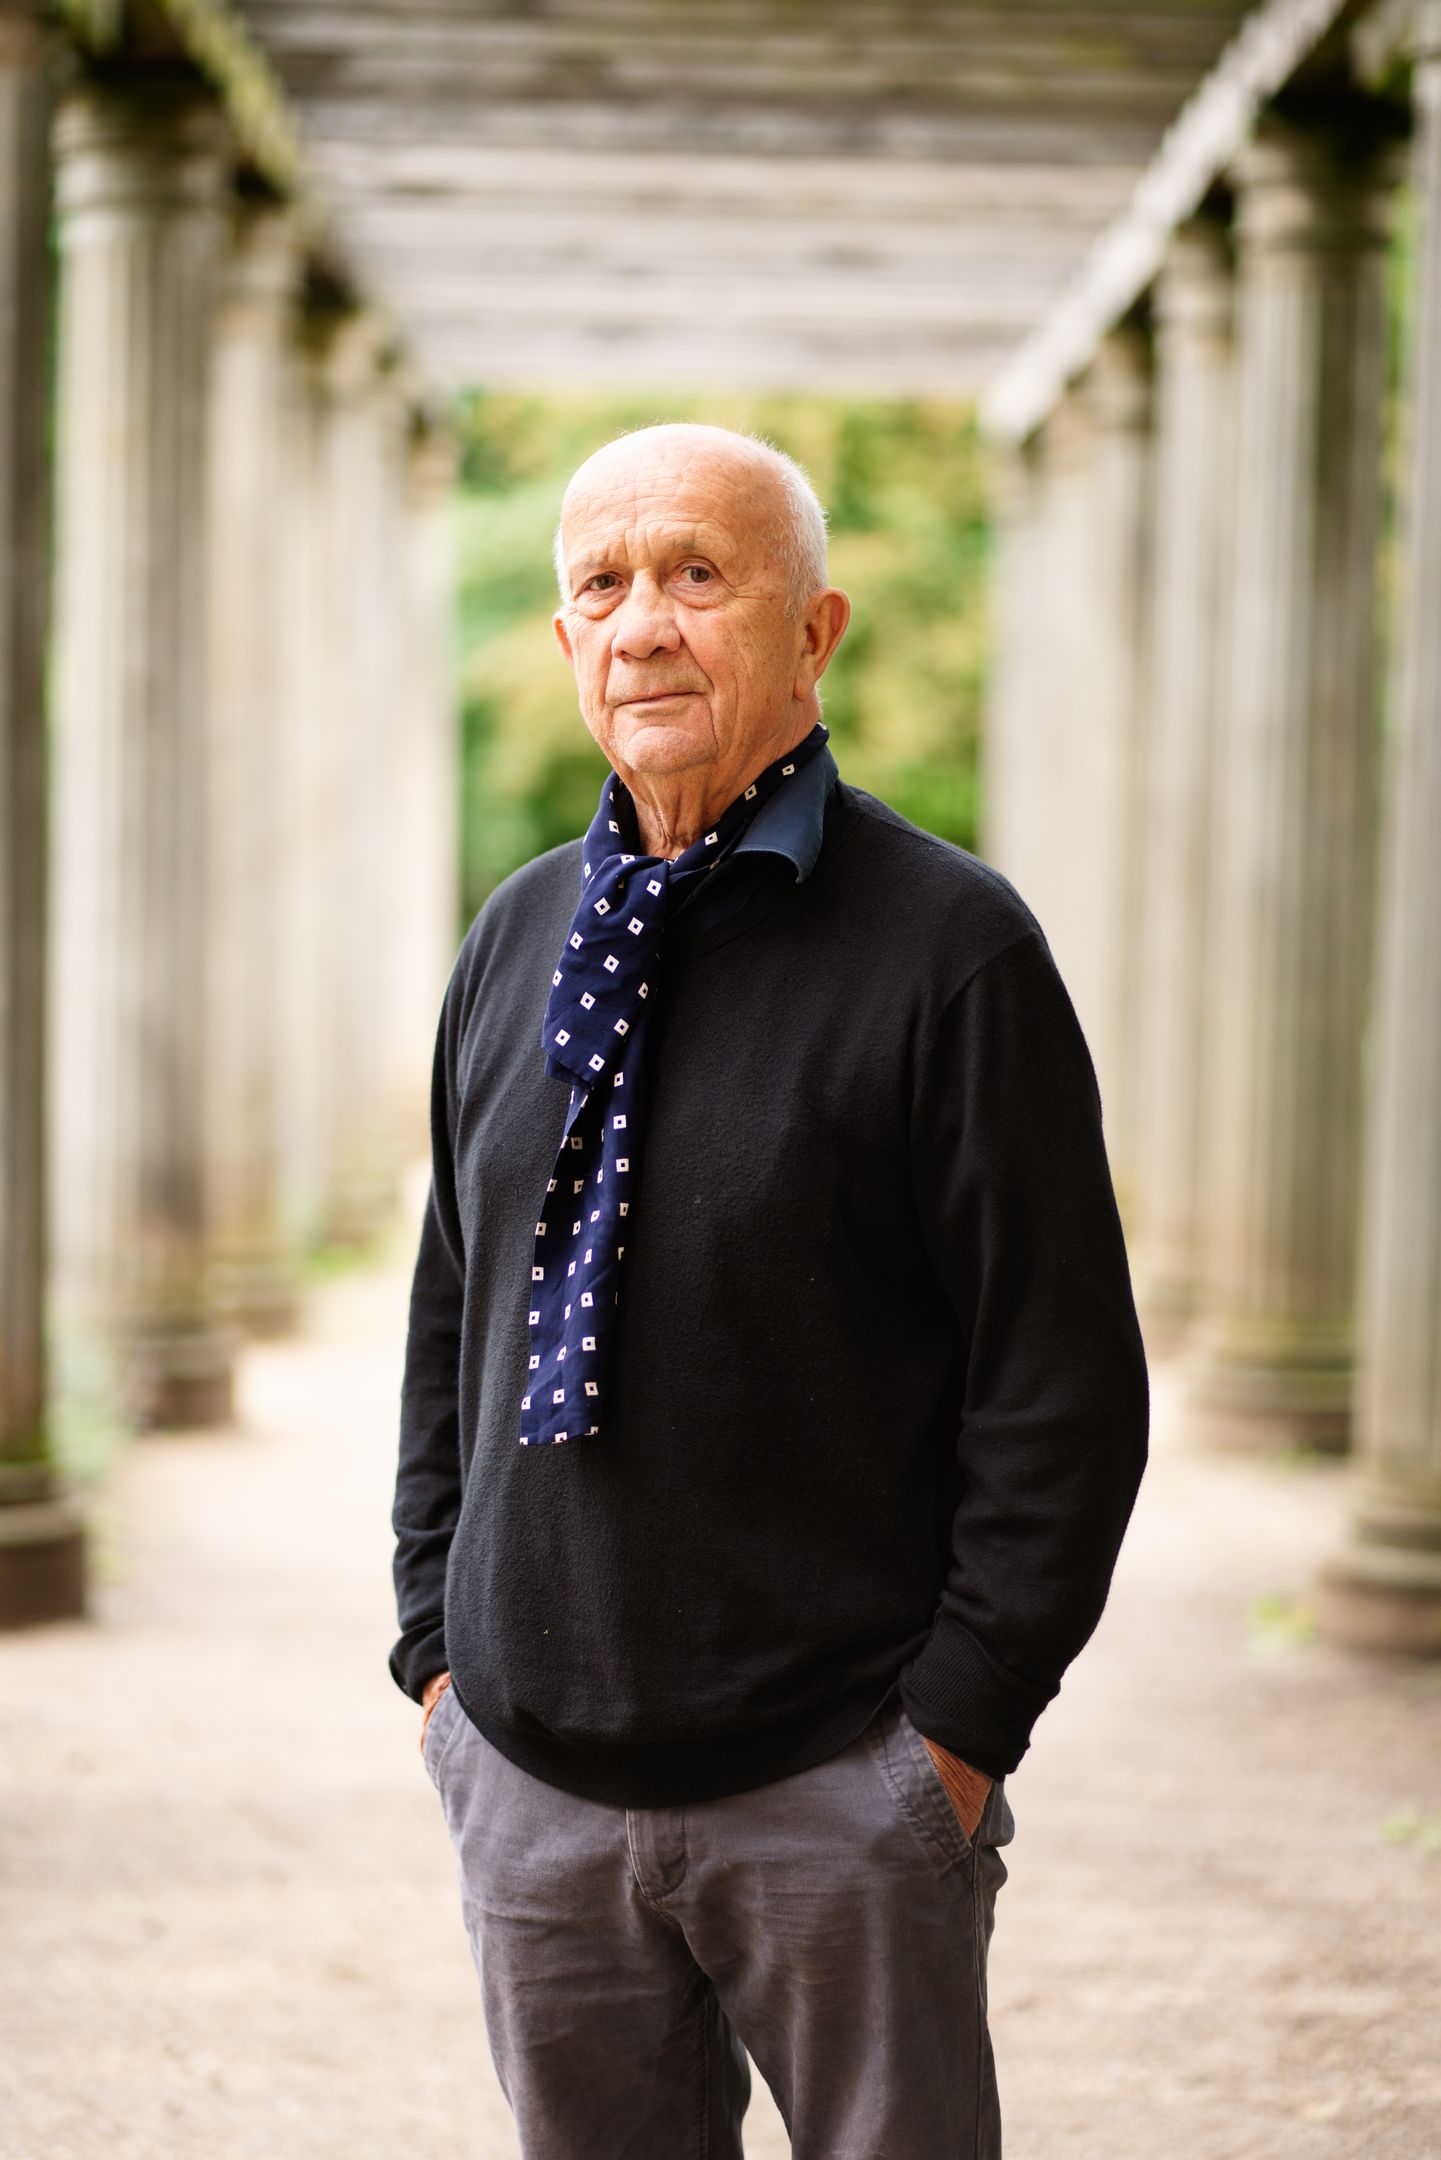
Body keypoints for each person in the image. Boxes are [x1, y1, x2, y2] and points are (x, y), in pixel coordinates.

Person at [389, 420, 1150, 2159]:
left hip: (841, 1780)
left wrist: (950, 1738)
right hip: (529, 1782)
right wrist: (435, 1654)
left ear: (814, 632)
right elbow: (453, 1310)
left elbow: (1060, 1386)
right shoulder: (515, 935)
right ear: (564, 640)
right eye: (601, 585)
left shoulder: (952, 948)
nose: (643, 624)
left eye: (696, 575)